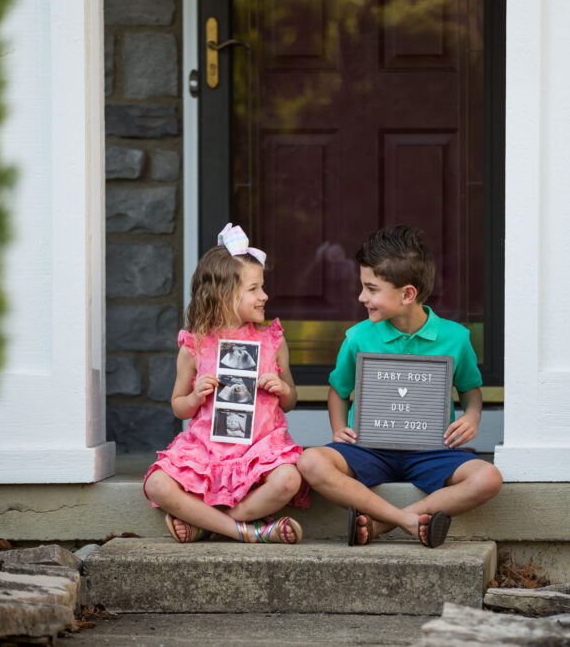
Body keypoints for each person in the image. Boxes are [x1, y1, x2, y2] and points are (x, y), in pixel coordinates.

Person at [297, 225, 503, 547]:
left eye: (371, 289)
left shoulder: (456, 338)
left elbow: (470, 390)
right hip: (368, 448)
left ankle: (381, 524)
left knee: (489, 477)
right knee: (309, 462)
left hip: (431, 450)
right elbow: (339, 390)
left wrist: (472, 417)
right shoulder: (358, 338)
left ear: (407, 294)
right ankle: (406, 520)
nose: (361, 297)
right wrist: (338, 429)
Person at [144, 223, 307, 544]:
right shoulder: (196, 345)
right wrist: (195, 395)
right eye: (254, 289)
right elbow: (178, 406)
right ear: (222, 294)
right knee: (156, 485)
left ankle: (208, 525)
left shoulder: (272, 340)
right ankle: (250, 531)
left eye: (262, 287)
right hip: (207, 450)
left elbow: (291, 400)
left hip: (260, 452)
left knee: (289, 480)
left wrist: (282, 388)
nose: (265, 296)